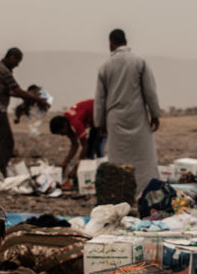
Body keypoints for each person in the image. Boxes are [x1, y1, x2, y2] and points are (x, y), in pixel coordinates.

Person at [93, 29, 161, 191]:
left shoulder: (105, 67)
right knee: (144, 156)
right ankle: (145, 189)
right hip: (137, 116)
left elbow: (100, 99)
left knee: (118, 157)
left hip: (115, 119)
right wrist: (155, 114)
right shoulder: (139, 62)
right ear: (125, 41)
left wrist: (100, 123)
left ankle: (122, 191)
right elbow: (150, 91)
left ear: (111, 43)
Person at [0, 47, 48, 177]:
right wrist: (38, 99)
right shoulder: (4, 71)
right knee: (6, 143)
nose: (17, 65)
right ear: (12, 57)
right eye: (17, 61)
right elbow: (16, 90)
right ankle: (0, 173)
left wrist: (27, 97)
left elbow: (7, 91)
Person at [48, 98, 99, 185]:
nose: (62, 135)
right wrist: (64, 164)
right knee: (89, 151)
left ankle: (96, 178)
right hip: (94, 119)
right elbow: (75, 145)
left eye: (62, 133)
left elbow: (85, 145)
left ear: (65, 126)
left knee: (96, 148)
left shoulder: (75, 123)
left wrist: (76, 168)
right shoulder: (67, 122)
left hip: (101, 113)